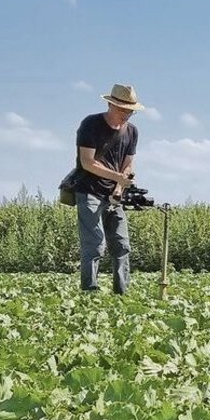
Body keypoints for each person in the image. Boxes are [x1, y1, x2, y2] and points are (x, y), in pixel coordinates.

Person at [73, 83, 143, 294]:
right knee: (95, 243)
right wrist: (118, 178)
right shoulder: (91, 124)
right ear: (110, 105)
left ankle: (122, 293)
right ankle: (90, 292)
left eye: (130, 110)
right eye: (123, 109)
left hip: (114, 193)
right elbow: (87, 162)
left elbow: (128, 163)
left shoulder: (132, 132)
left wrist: (119, 188)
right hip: (89, 190)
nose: (127, 114)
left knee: (121, 244)